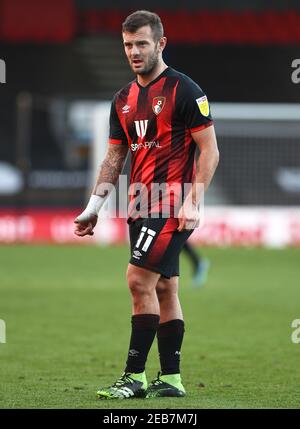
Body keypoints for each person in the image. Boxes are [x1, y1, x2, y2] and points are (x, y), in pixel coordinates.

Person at [74, 10, 219, 399]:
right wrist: (94, 206)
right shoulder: (122, 99)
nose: (134, 52)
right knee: (167, 287)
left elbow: (210, 151)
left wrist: (195, 200)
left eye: (141, 43)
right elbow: (113, 158)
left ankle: (133, 377)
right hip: (139, 202)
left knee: (138, 281)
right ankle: (171, 379)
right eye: (127, 45)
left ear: (160, 44)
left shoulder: (185, 91)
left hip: (170, 202)